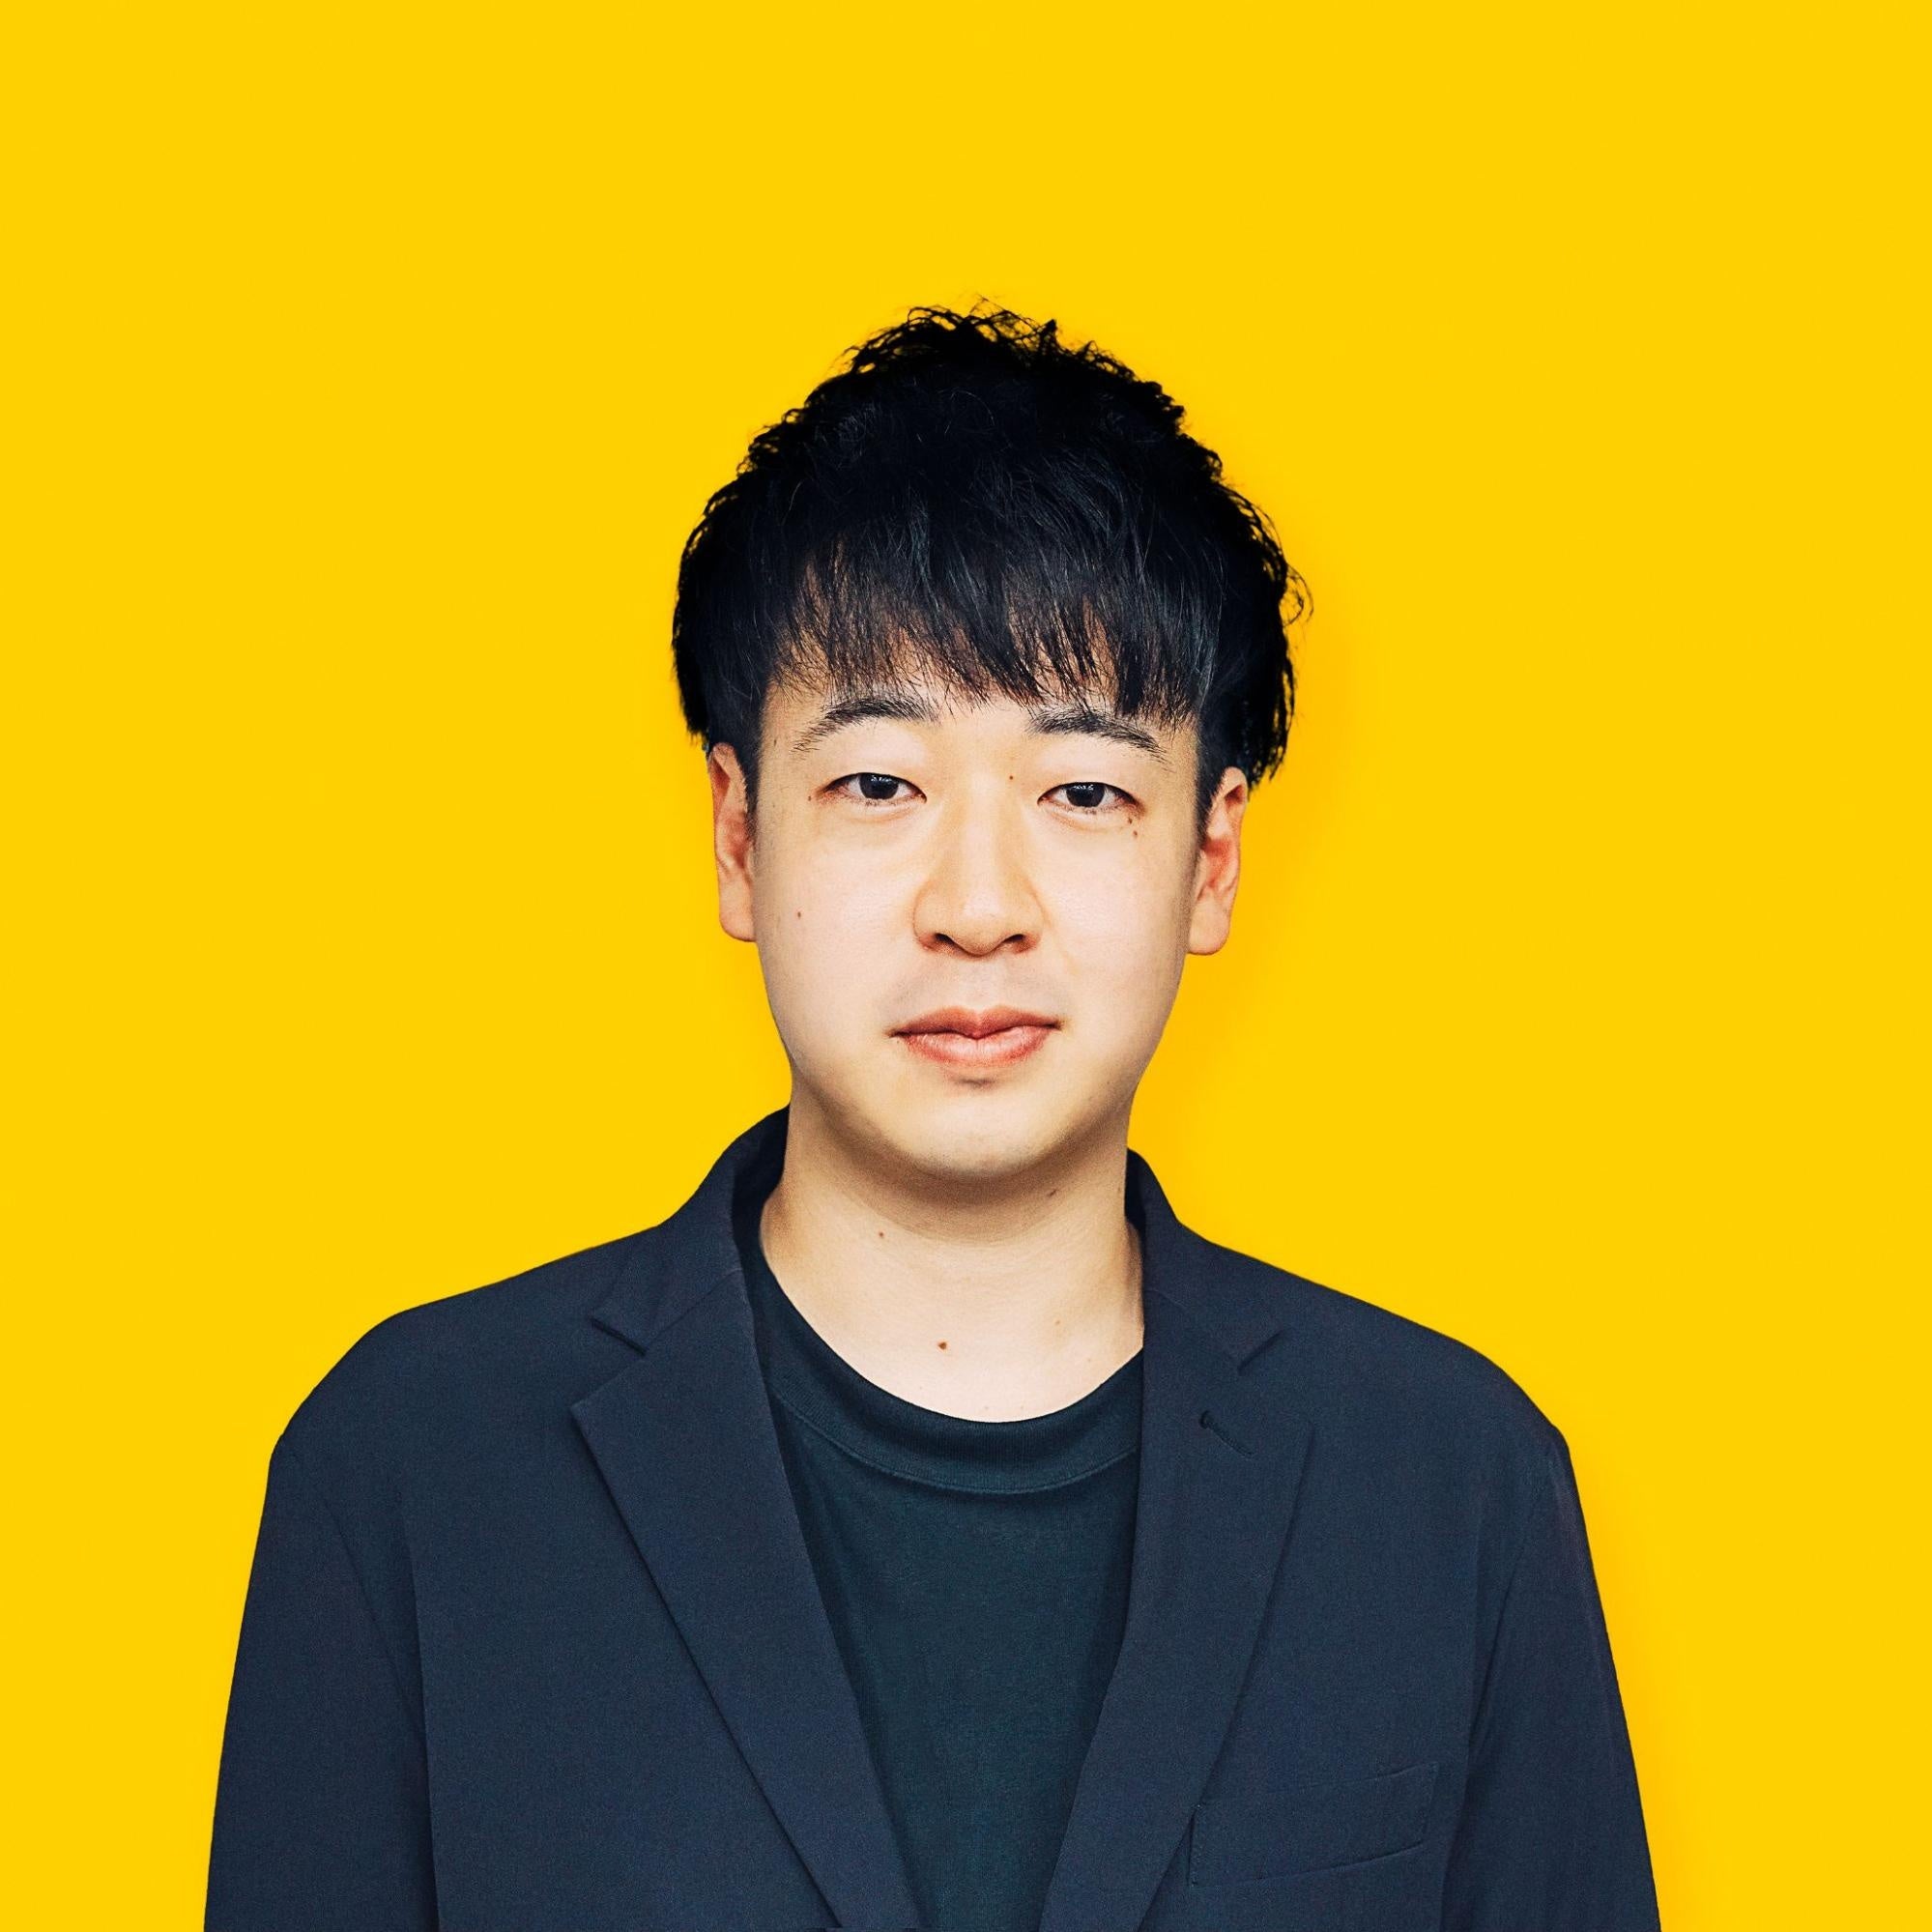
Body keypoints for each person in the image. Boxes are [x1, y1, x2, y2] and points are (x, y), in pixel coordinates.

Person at [205, 305, 1662, 1932]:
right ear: (739, 836)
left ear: (1212, 858)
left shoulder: (1451, 1487)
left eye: (1085, 790)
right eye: (879, 784)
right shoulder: (416, 1467)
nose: (978, 906)